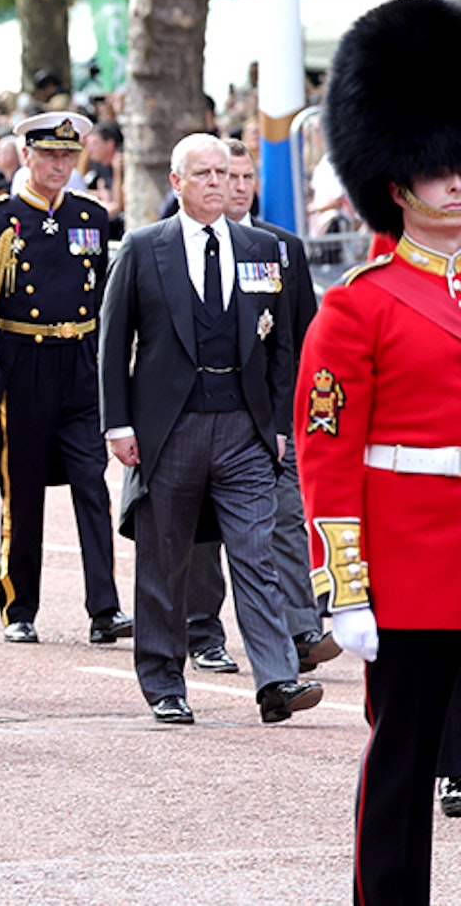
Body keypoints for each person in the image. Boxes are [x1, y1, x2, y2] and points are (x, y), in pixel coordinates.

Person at [295, 0, 461, 903]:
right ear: (396, 181)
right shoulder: (357, 305)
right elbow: (326, 452)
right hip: (409, 569)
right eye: (438, 170)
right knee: (402, 760)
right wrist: (344, 581)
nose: (456, 183)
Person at [98, 132, 318, 725]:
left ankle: (276, 679)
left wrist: (277, 424)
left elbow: (282, 350)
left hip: (245, 430)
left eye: (225, 172)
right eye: (204, 174)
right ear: (177, 182)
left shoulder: (258, 248)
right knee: (164, 559)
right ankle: (165, 682)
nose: (219, 183)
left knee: (256, 553)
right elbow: (113, 344)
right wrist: (118, 426)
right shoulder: (144, 249)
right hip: (169, 430)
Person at [0, 112, 129, 646]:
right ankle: (19, 606)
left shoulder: (92, 216)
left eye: (67, 157)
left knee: (91, 487)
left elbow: (103, 302)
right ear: (25, 155)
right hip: (22, 362)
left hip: (78, 362)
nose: (59, 166)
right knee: (23, 492)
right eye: (49, 155)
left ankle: (105, 608)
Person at [184, 138, 336, 676]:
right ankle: (203, 631)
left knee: (285, 521)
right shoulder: (173, 247)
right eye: (229, 177)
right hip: (204, 413)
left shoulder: (279, 247)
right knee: (205, 533)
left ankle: (300, 630)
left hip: (272, 416)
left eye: (247, 178)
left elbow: (301, 335)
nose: (238, 187)